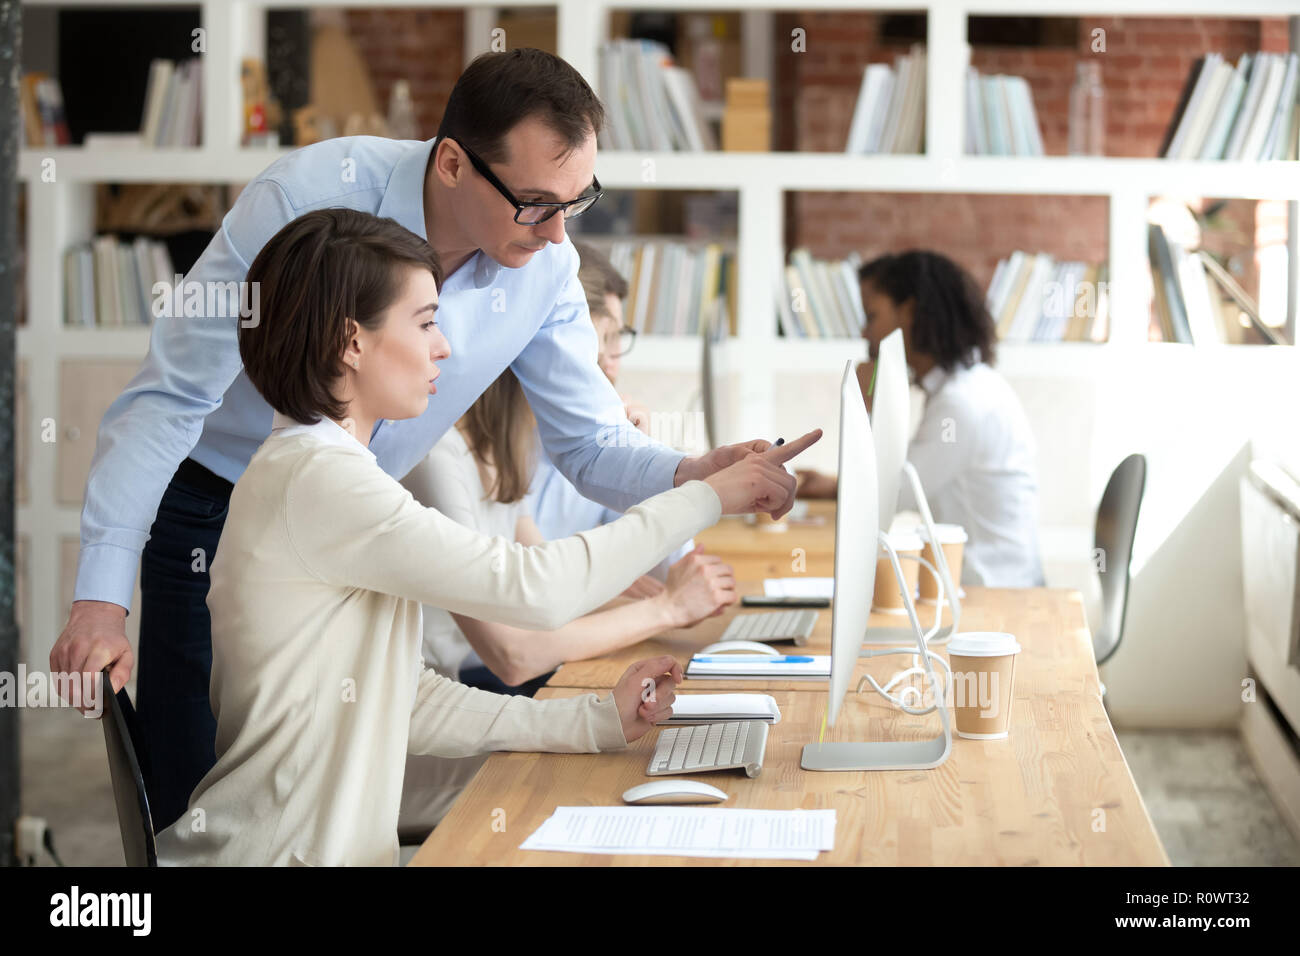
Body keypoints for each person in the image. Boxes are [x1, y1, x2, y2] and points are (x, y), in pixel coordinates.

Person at [51, 49, 809, 831]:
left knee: (356, 725)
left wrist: (691, 470)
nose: (556, 238)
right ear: (453, 163)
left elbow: (590, 446)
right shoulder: (306, 198)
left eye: (576, 205)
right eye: (535, 204)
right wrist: (100, 602)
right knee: (199, 788)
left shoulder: (546, 265)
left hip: (359, 496)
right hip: (219, 493)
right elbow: (170, 399)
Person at [154, 208, 816, 866]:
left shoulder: (330, 470)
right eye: (424, 322)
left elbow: (405, 697)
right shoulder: (316, 479)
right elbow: (533, 590)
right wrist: (706, 496)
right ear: (350, 342)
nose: (444, 346)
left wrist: (592, 722)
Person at [797, 250, 1044, 588]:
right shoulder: (969, 385)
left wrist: (865, 405)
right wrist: (835, 486)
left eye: (872, 316)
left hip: (995, 592)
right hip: (988, 581)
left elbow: (886, 502)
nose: (865, 333)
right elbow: (897, 485)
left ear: (909, 312)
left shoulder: (960, 404)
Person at [525, 241, 690, 592]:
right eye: (608, 337)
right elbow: (530, 586)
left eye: (620, 338)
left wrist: (644, 452)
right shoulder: (500, 446)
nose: (615, 359)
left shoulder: (602, 443)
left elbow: (670, 574)